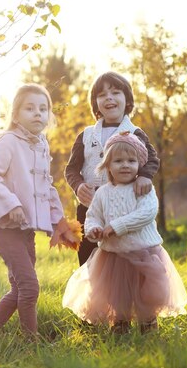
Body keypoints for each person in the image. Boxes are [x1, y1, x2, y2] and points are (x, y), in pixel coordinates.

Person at [62, 132, 187, 334]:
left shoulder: (143, 188)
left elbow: (146, 213)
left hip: (143, 253)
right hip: (113, 256)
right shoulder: (103, 192)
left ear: (139, 164)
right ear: (108, 166)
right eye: (118, 161)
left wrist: (118, 226)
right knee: (117, 294)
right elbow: (93, 215)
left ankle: (148, 324)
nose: (125, 165)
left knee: (146, 294)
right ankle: (120, 325)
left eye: (131, 160)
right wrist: (94, 229)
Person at [0, 83, 79, 336]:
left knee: (19, 288)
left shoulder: (40, 145)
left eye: (43, 109)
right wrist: (10, 203)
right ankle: (30, 340)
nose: (38, 114)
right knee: (30, 287)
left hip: (25, 232)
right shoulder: (8, 142)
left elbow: (46, 187)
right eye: (30, 108)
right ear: (15, 115)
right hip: (5, 230)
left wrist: (59, 222)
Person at [64, 71, 160, 266]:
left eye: (115, 92)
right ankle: (93, 296)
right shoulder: (86, 135)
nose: (109, 97)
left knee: (123, 260)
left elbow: (151, 159)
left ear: (127, 100)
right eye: (102, 95)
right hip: (90, 207)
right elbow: (71, 169)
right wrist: (78, 185)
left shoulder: (135, 133)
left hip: (124, 206)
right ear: (95, 103)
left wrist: (144, 176)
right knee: (88, 260)